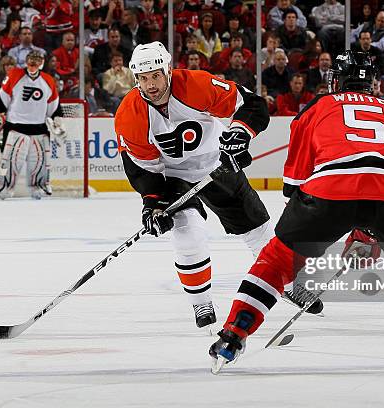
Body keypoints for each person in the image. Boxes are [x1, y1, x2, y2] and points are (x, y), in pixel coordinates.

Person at [210, 51, 384, 374]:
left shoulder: (317, 107)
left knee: (276, 262)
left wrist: (306, 238)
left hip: (331, 188)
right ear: (372, 82)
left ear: (334, 80)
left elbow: (295, 185)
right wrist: (369, 233)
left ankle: (233, 335)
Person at [114, 41, 274, 329]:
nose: (150, 85)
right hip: (174, 177)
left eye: (155, 76)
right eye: (143, 78)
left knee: (258, 231)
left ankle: (285, 284)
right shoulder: (130, 113)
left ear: (167, 71)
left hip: (217, 165)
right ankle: (201, 304)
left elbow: (252, 103)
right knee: (188, 234)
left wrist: (240, 133)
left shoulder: (196, 84)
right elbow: (142, 168)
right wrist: (152, 203)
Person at [0, 50, 67, 200]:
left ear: (42, 63)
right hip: (15, 125)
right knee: (12, 159)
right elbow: (2, 98)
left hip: (39, 126)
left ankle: (38, 187)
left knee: (39, 160)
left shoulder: (48, 80)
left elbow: (53, 105)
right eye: (31, 61)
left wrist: (57, 118)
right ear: (26, 62)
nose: (33, 65)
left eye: (37, 61)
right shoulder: (15, 75)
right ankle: (5, 186)